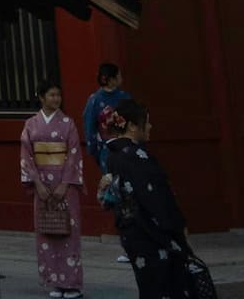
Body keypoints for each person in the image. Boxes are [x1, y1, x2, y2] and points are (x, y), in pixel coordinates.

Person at [101, 99, 192, 299]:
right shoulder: (136, 157)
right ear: (133, 126)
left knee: (150, 288)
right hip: (152, 233)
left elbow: (109, 199)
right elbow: (156, 199)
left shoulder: (113, 157)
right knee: (167, 288)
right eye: (147, 122)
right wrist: (177, 225)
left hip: (131, 232)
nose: (150, 126)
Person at [19, 79, 84, 299]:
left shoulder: (68, 123)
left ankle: (72, 283)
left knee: (69, 231)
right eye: (52, 95)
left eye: (58, 95)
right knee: (47, 231)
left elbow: (74, 154)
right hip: (42, 187)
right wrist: (37, 183)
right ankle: (54, 281)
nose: (56, 99)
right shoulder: (31, 124)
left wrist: (65, 183)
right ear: (41, 97)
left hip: (65, 185)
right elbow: (27, 157)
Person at [84, 62, 133, 171]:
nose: (121, 78)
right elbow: (89, 127)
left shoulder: (125, 97)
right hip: (106, 149)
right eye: (119, 75)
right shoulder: (94, 100)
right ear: (111, 80)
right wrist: (93, 149)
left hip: (127, 145)